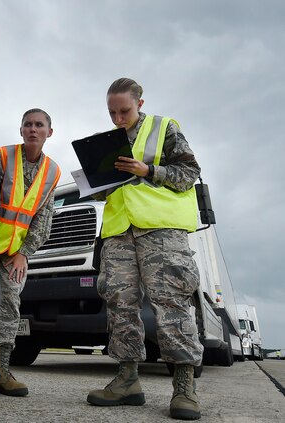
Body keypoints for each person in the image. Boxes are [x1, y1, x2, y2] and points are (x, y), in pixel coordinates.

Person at [86, 78, 203, 420]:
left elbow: (189, 172)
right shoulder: (107, 142)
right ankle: (127, 380)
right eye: (111, 112)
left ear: (140, 103)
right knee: (120, 302)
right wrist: (94, 182)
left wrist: (149, 170)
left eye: (124, 110)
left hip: (161, 229)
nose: (118, 118)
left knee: (171, 302)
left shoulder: (164, 128)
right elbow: (106, 190)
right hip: (120, 230)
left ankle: (184, 388)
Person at [0, 108, 61, 399]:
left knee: (10, 306)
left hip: (15, 251)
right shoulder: (4, 157)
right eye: (27, 124)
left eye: (39, 125)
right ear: (21, 130)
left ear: (48, 133)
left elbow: (43, 217)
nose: (33, 129)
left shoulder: (52, 171)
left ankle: (0, 372)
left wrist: (25, 253)